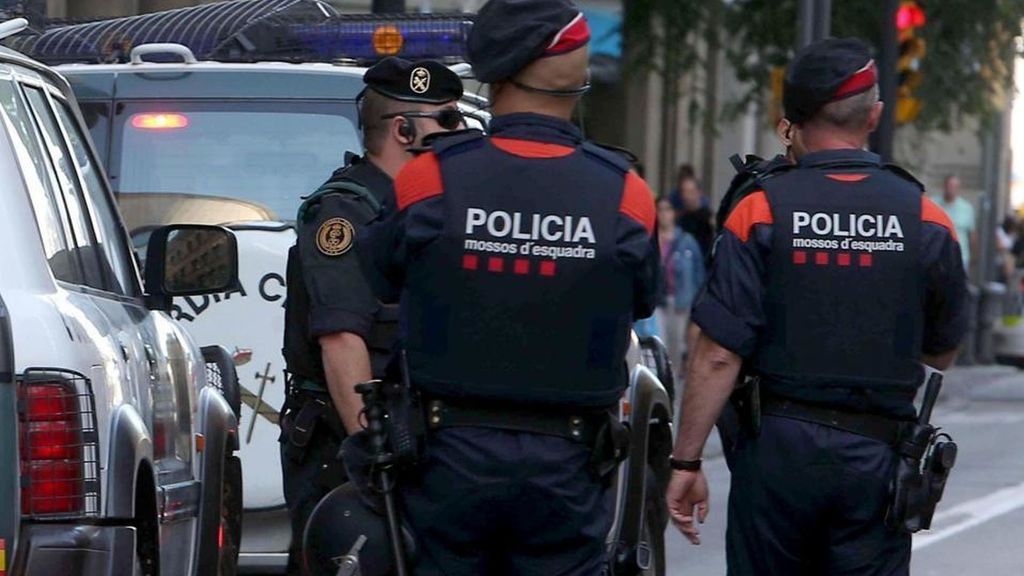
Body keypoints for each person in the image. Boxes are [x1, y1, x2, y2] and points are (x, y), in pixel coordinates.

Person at [359, 1, 659, 573]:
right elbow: (640, 300)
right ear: (579, 86)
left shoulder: (429, 175)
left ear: (494, 77)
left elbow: (380, 274)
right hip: (568, 463)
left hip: (448, 454)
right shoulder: (627, 192)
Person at [664, 38, 968, 575]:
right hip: (877, 458)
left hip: (776, 453)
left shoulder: (757, 211)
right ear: (874, 114)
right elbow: (941, 353)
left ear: (793, 120)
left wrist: (687, 459)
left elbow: (717, 354)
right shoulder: (928, 219)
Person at [279, 57, 463, 575]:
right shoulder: (345, 215)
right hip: (347, 448)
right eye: (447, 120)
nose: (460, 132)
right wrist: (371, 449)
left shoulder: (430, 207)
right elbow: (341, 338)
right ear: (403, 130)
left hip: (416, 437)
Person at [655, 195, 705, 367]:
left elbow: (698, 275)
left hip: (680, 302)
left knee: (676, 349)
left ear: (674, 213)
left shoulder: (686, 241)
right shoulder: (651, 240)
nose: (663, 214)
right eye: (660, 210)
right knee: (659, 345)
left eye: (667, 209)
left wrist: (697, 307)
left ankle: (672, 384)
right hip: (657, 301)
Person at [932, 174, 977, 273]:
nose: (951, 189)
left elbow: (972, 234)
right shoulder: (933, 204)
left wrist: (972, 256)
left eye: (954, 186)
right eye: (949, 186)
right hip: (937, 256)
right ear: (944, 186)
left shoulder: (966, 208)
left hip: (960, 257)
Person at [671, 164, 715, 259]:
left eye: (690, 192)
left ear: (699, 193)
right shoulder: (680, 219)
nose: (687, 197)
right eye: (684, 192)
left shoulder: (707, 218)